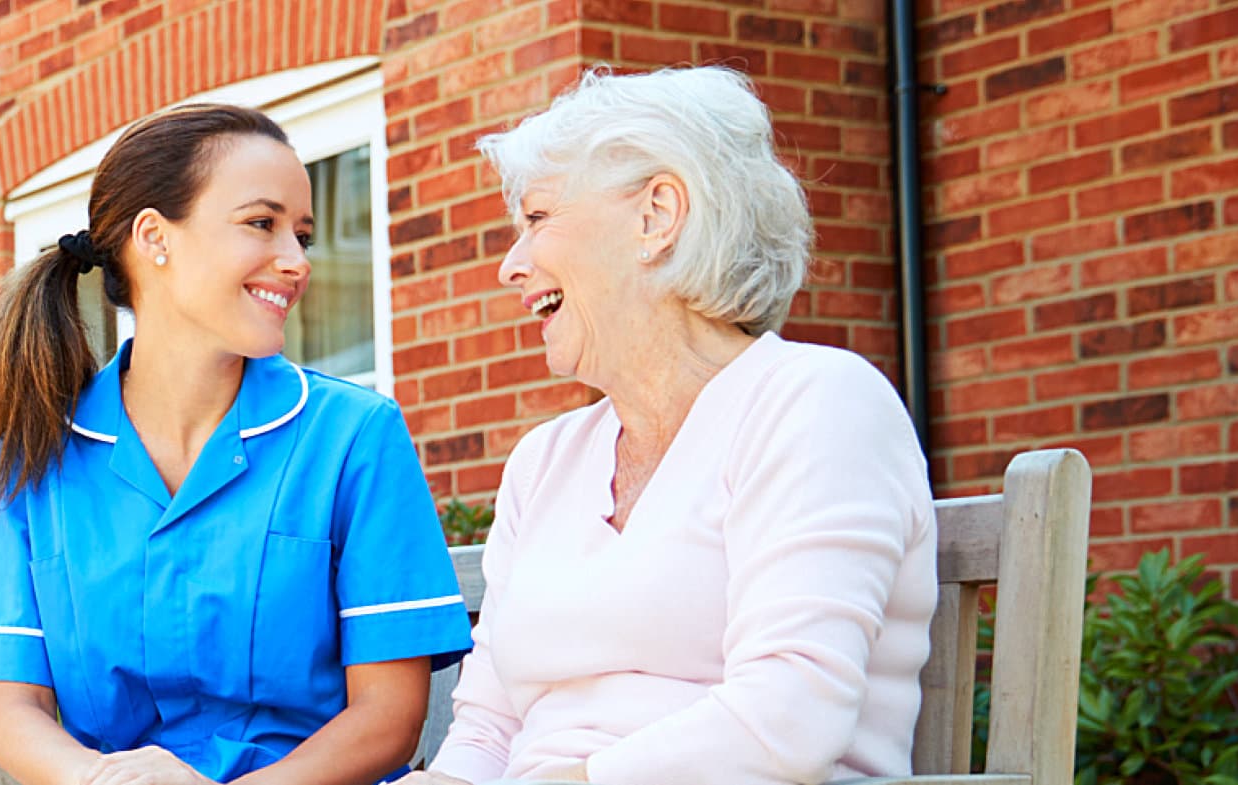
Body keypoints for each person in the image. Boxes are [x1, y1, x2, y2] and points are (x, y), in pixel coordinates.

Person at [401, 67, 939, 784]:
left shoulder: (816, 402)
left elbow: (790, 716)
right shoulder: (546, 459)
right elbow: (489, 727)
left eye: (536, 220)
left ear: (657, 216)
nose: (511, 266)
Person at [0, 103, 473, 785]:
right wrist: (100, 779)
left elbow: (389, 718)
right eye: (262, 224)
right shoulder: (36, 455)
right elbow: (16, 709)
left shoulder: (355, 437)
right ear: (154, 237)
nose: (296, 261)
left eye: (303, 236)